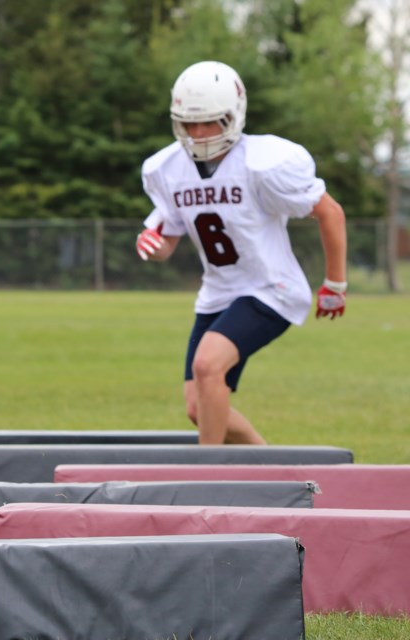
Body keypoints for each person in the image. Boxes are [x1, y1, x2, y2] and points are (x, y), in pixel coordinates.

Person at [134, 60, 348, 446]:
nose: (198, 134)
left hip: (270, 288)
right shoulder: (166, 168)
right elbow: (167, 239)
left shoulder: (261, 163)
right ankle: (276, 470)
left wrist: (335, 282)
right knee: (199, 408)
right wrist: (153, 247)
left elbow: (330, 212)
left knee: (207, 366)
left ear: (233, 115)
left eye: (209, 122)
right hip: (217, 293)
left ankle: (206, 481)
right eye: (189, 123)